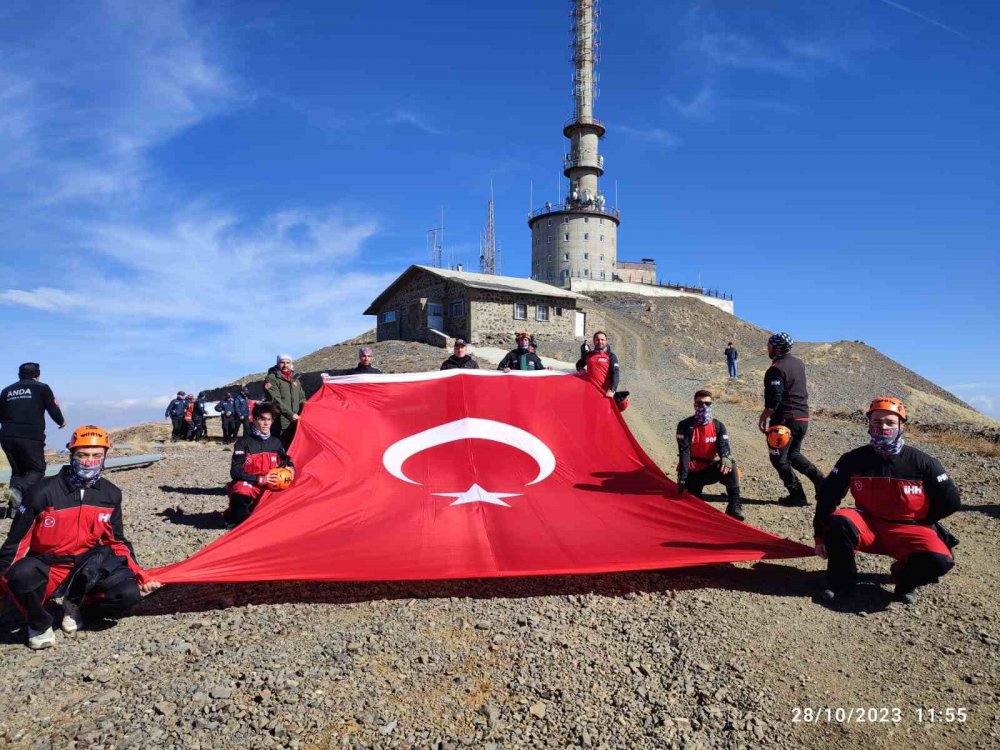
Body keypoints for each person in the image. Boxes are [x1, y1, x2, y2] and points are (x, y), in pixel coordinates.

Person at [0, 425, 161, 649]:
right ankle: (39, 621)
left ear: (105, 456)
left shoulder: (110, 494)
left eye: (97, 456)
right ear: (71, 454)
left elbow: (116, 540)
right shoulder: (42, 491)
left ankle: (76, 605)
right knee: (19, 576)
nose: (89, 461)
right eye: (82, 455)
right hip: (47, 566)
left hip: (86, 568)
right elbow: (15, 544)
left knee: (128, 593)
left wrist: (139, 573)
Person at [813, 397, 960, 604]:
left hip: (909, 529)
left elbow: (951, 501)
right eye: (876, 422)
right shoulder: (853, 459)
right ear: (869, 426)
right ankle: (841, 583)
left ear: (902, 425)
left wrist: (925, 522)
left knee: (941, 561)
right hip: (869, 525)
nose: (882, 427)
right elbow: (828, 496)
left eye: (890, 422)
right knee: (839, 521)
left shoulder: (924, 463)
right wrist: (820, 537)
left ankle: (904, 581)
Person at [757, 332, 824, 507]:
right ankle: (820, 481)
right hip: (802, 419)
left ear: (777, 348)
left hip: (784, 421)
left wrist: (763, 417)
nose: (767, 349)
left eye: (770, 346)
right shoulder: (798, 363)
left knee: (778, 459)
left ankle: (797, 495)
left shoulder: (776, 369)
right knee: (793, 455)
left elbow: (774, 399)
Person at [1, 362, 67, 515]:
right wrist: (61, 422)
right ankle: (18, 490)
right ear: (37, 375)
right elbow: (53, 408)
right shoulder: (41, 388)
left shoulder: (6, 391)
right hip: (30, 436)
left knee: (18, 472)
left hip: (7, 436)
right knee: (37, 469)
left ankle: (15, 510)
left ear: (19, 375)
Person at [675, 390, 744, 520]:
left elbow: (724, 448)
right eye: (699, 403)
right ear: (694, 404)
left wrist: (725, 457)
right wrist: (682, 479)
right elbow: (684, 453)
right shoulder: (684, 426)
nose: (703, 407)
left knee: (731, 464)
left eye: (707, 403)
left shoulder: (718, 426)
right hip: (691, 472)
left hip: (708, 470)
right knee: (695, 510)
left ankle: (734, 505)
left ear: (712, 404)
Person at [225, 403, 295, 526]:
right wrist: (259, 479)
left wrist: (290, 466)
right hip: (252, 483)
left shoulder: (276, 443)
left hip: (271, 484)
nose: (266, 423)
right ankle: (234, 520)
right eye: (262, 419)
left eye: (269, 420)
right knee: (240, 491)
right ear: (255, 420)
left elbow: (285, 459)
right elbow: (235, 471)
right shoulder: (243, 443)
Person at [263, 354, 306, 448]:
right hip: (281, 423)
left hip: (296, 422)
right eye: (282, 362)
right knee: (280, 450)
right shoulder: (271, 379)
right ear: (277, 364)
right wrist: (290, 414)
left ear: (291, 364)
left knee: (294, 449)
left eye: (288, 363)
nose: (285, 365)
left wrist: (306, 409)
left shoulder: (295, 379)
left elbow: (302, 398)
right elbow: (275, 400)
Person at [576, 331, 619, 398]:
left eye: (602, 340)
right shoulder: (588, 355)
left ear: (606, 341)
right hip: (589, 392)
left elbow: (615, 373)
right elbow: (578, 364)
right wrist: (580, 369)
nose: (600, 342)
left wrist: (612, 390)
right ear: (594, 341)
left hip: (604, 393)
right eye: (597, 339)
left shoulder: (611, 356)